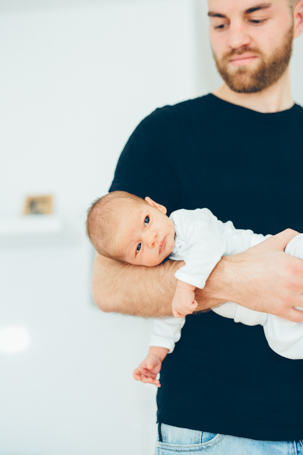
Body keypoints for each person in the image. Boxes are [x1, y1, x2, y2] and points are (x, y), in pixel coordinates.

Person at [92, 0, 303, 453]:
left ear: (298, 17)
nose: (235, 38)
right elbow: (108, 285)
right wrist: (239, 278)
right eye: (219, 23)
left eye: (256, 17)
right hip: (216, 433)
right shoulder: (164, 134)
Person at [87, 190, 303, 385]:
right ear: (134, 265)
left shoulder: (187, 220)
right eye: (138, 247)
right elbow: (170, 313)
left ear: (155, 206)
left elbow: (208, 246)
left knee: (297, 245)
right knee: (282, 344)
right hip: (268, 314)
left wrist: (184, 287)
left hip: (282, 255)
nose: (151, 238)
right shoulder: (167, 265)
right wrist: (156, 353)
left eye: (146, 221)